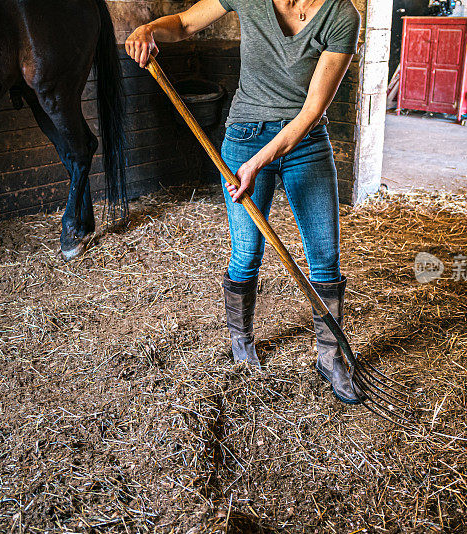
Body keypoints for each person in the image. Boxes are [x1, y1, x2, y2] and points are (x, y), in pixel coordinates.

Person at [125, 0, 362, 404]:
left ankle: (330, 356)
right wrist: (148, 30)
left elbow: (311, 111)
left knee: (324, 255)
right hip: (244, 136)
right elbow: (182, 23)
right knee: (247, 252)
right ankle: (242, 340)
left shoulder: (342, 16)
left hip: (304, 141)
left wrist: (259, 162)